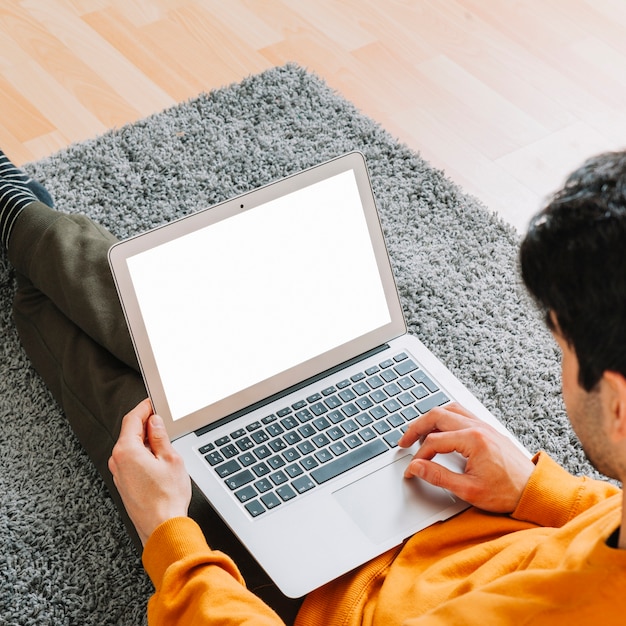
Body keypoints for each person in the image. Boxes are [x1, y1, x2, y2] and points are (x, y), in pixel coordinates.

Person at [1, 147, 625, 625]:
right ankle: (25, 236)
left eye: (560, 346)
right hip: (468, 505)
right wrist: (538, 491)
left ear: (618, 403)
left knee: (143, 428)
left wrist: (168, 536)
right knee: (217, 343)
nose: (559, 363)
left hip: (328, 587)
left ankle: (22, 230)